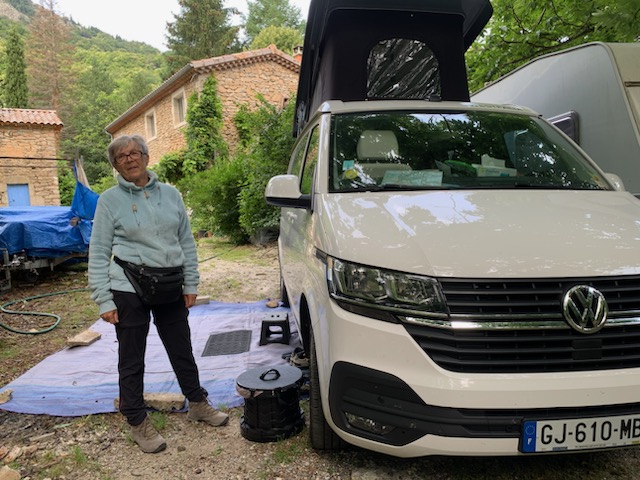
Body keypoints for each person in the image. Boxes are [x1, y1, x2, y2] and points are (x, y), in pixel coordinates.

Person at [88, 134, 228, 454]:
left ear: (147, 157)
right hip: (127, 286)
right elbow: (98, 252)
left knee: (181, 347)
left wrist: (191, 283)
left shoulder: (171, 194)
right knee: (132, 357)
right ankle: (137, 421)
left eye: (135, 153)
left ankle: (197, 403)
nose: (129, 159)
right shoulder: (109, 200)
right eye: (121, 157)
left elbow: (186, 242)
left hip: (169, 284)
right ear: (115, 165)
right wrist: (103, 298)